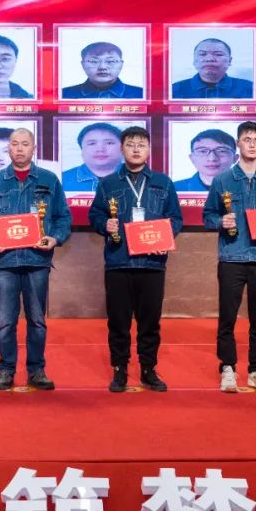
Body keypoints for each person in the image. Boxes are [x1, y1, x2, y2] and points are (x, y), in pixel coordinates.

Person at [0, 128, 71, 391]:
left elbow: (63, 217)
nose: (19, 148)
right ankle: (6, 370)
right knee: (6, 322)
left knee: (37, 320)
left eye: (25, 144)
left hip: (37, 261)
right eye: (15, 144)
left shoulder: (49, 180)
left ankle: (36, 370)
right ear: (9, 148)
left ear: (33, 148)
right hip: (4, 262)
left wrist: (55, 238)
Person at [89, 126, 183, 393]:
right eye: (130, 144)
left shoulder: (163, 182)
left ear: (149, 150)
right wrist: (104, 224)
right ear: (122, 149)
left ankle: (148, 369)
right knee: (118, 321)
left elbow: (175, 218)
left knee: (150, 322)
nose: (136, 149)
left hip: (152, 264)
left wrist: (164, 237)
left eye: (141, 144)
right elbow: (95, 215)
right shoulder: (108, 183)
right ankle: (119, 369)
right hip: (119, 262)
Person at [203, 121, 256, 393]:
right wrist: (221, 221)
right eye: (247, 139)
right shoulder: (222, 180)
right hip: (232, 256)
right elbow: (208, 216)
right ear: (237, 144)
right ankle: (227, 367)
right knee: (227, 317)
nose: (252, 144)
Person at [170, 38, 254, 99]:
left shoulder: (250, 89)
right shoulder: (174, 90)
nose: (209, 59)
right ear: (194, 60)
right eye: (202, 54)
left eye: (218, 54)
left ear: (230, 61)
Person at [61, 42, 144, 99]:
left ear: (121, 64)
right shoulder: (64, 94)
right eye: (94, 61)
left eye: (110, 61)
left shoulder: (141, 94)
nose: (102, 67)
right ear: (83, 64)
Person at [62, 122, 123, 192]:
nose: (100, 149)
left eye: (109, 143)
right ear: (82, 149)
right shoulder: (61, 180)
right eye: (92, 143)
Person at [173, 129, 237, 192]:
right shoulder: (174, 190)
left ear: (235, 158)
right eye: (203, 151)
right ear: (192, 158)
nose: (212, 158)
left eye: (222, 151)